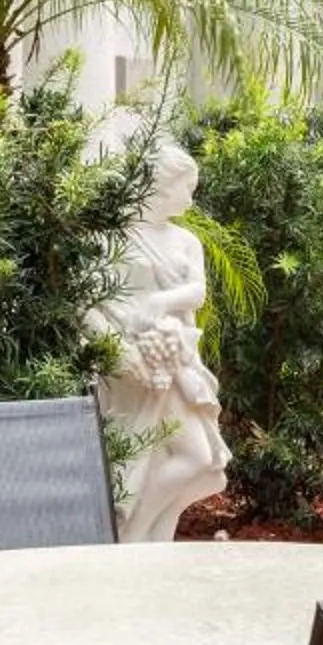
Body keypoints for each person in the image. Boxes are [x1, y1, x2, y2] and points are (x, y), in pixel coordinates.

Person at [91, 132, 229, 541]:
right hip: (134, 363)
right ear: (162, 186)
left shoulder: (186, 240)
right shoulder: (116, 238)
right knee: (172, 455)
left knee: (201, 461)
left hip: (177, 356)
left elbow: (198, 291)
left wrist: (159, 303)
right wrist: (119, 347)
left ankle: (151, 534)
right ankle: (133, 534)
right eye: (186, 188)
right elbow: (94, 298)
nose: (190, 198)